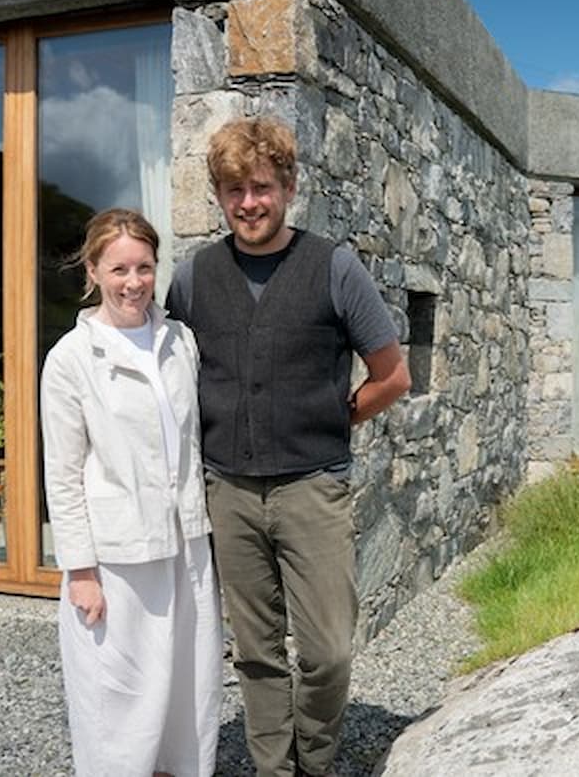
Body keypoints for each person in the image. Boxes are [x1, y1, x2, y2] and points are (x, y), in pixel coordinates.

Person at [167, 117, 412, 777]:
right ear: (219, 196)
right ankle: (274, 768)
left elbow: (394, 376)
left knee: (328, 649)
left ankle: (317, 759)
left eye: (263, 187)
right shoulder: (192, 281)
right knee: (255, 650)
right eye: (234, 189)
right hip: (230, 492)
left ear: (289, 186)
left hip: (314, 489)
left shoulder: (333, 268)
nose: (250, 202)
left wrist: (337, 418)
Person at [40, 208, 223, 777]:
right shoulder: (71, 359)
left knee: (187, 687)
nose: (134, 282)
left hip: (186, 544)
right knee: (118, 696)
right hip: (116, 556)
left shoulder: (179, 341)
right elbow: (63, 475)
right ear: (92, 270)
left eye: (145, 267)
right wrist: (82, 572)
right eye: (119, 268)